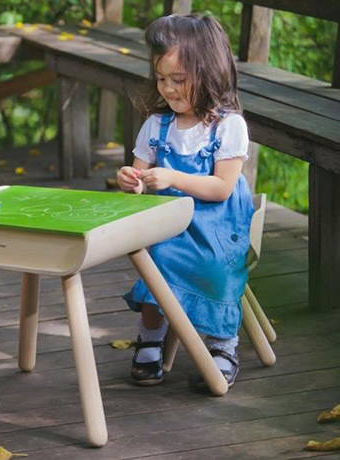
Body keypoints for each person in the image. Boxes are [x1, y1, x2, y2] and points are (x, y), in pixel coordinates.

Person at [117, 14, 254, 390]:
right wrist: (130, 181)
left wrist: (173, 177)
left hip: (217, 225)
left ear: (209, 73)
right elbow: (139, 175)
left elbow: (222, 188)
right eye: (161, 79)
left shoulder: (227, 126)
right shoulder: (157, 126)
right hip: (168, 225)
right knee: (153, 262)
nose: (168, 90)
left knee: (215, 269)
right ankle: (150, 339)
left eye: (178, 80)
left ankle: (223, 345)